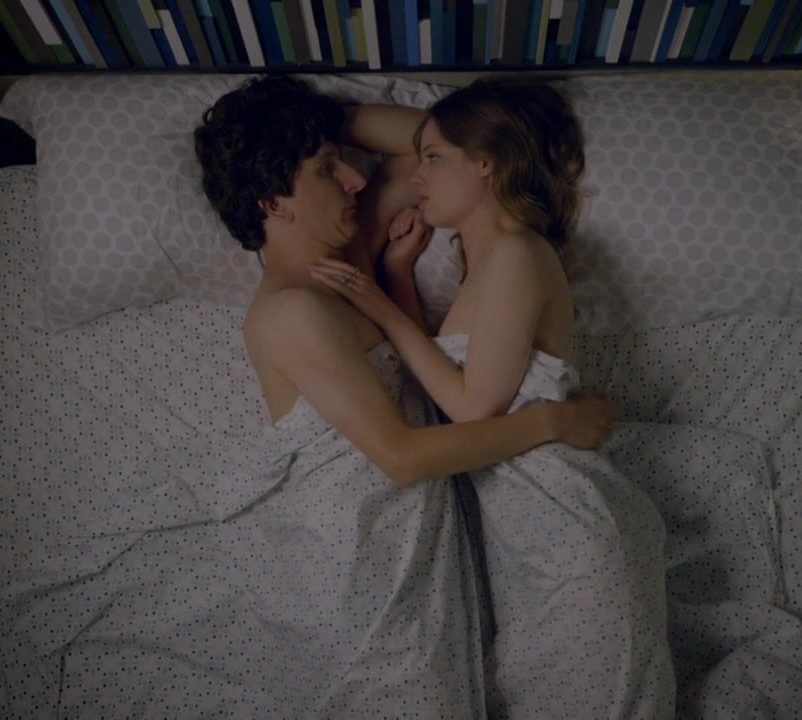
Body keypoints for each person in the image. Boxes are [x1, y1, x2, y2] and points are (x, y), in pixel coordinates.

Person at [191, 75, 615, 717]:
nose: (354, 180)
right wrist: (554, 421)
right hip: (356, 555)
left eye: (343, 162)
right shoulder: (289, 312)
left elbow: (437, 146)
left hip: (431, 540)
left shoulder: (356, 252)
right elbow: (403, 457)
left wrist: (320, 119)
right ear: (274, 200)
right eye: (328, 169)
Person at [311, 79, 676, 719]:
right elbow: (445, 387)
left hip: (565, 528)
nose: (416, 175)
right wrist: (397, 277)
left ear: (486, 164)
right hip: (521, 536)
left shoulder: (516, 253)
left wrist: (381, 308)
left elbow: (472, 410)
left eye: (434, 158)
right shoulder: (491, 261)